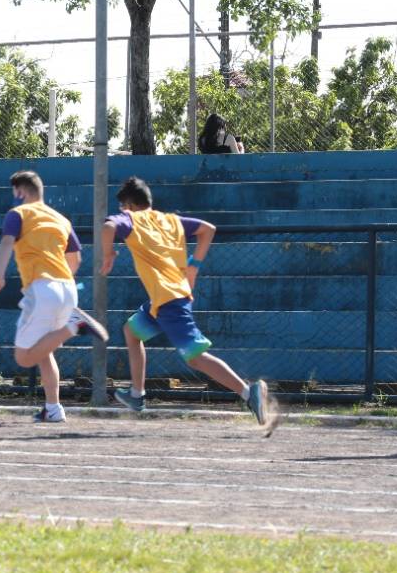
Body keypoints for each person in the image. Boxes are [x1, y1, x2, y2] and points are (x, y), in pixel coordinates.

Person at [100, 176, 277, 434]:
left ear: (129, 204)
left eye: (122, 207)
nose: (121, 211)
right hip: (162, 300)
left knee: (195, 358)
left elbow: (107, 227)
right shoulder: (170, 220)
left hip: (170, 301)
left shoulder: (131, 219)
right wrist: (194, 265)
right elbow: (208, 229)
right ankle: (137, 394)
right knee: (132, 331)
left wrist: (108, 254)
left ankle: (248, 392)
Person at [0, 170, 108, 423]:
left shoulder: (17, 214)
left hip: (43, 289)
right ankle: (53, 408)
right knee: (44, 352)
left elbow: (7, 242)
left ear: (20, 192)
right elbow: (75, 259)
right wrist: (61, 283)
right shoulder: (61, 219)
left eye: (15, 193)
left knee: (23, 357)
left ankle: (75, 325)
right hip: (67, 287)